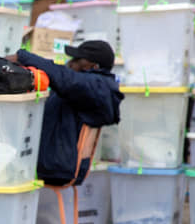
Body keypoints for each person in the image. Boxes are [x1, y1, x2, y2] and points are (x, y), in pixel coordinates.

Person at [7, 41, 123, 185]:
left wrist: (23, 57)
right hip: (56, 163)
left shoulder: (97, 86)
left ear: (94, 67)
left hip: (56, 166)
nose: (71, 63)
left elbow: (64, 77)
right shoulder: (89, 88)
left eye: (77, 60)